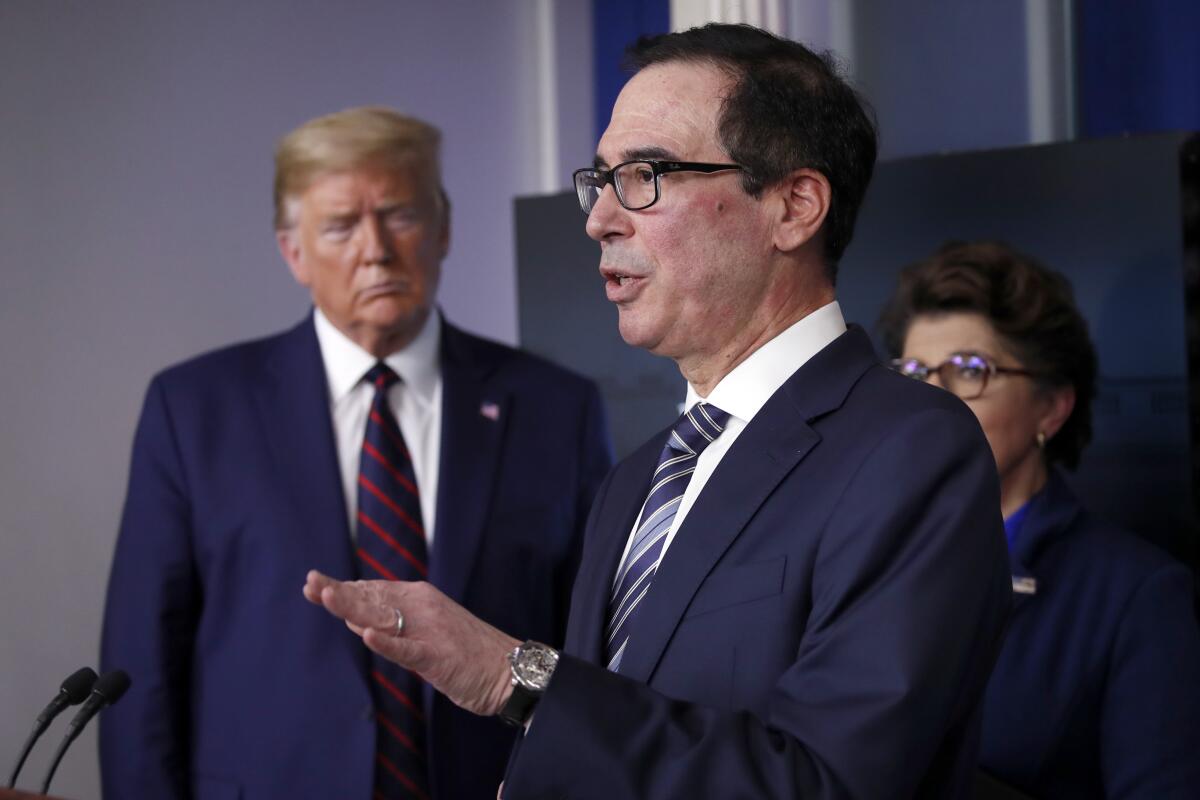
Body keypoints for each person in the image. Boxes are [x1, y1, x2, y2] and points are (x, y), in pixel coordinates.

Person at [305, 25, 1011, 799]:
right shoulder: (638, 480)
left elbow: (826, 782)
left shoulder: (910, 451)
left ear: (794, 205)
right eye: (600, 180)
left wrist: (519, 681)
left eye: (645, 175)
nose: (599, 218)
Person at [99, 106, 613, 800]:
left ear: (443, 228)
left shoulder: (556, 408)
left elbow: (589, 649)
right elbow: (142, 665)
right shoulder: (194, 410)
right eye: (340, 226)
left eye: (399, 215)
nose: (376, 249)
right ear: (293, 251)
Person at [879, 240, 1200, 798]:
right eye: (913, 372)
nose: (929, 400)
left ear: (1052, 407)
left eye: (967, 371)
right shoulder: (860, 556)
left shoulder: (1140, 597)